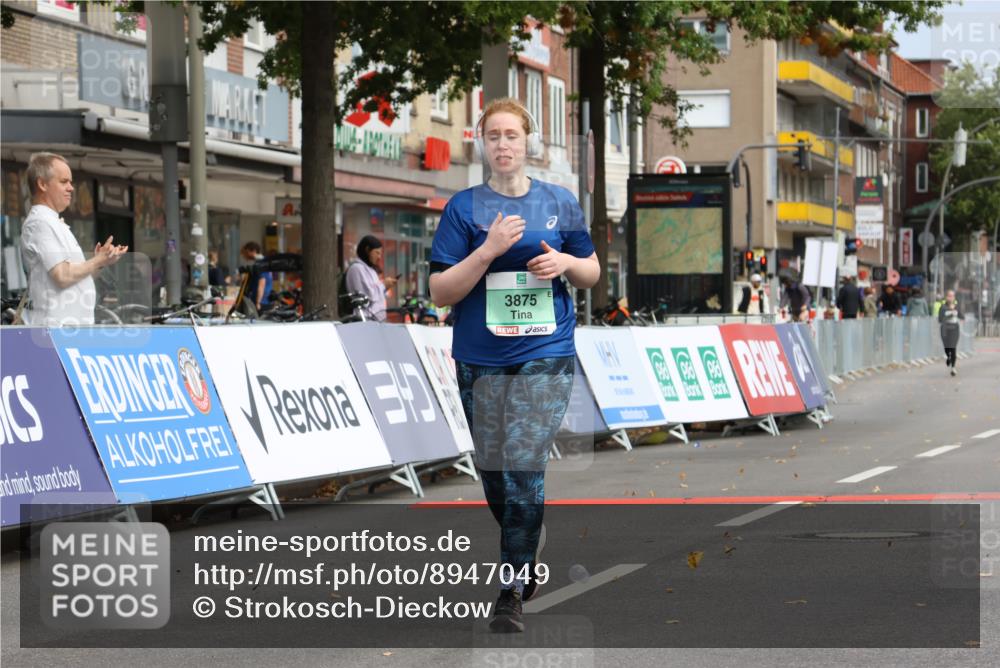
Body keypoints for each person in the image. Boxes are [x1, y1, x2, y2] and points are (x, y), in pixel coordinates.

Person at [429, 97, 599, 633]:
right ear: (482, 143)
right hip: (479, 356)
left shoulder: (559, 202)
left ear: (528, 144)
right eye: (494, 135)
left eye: (512, 135)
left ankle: (510, 591)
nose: (503, 144)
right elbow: (440, 292)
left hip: (544, 351)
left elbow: (591, 271)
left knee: (523, 465)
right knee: (497, 478)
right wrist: (487, 251)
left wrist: (565, 262)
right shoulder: (463, 208)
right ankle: (526, 535)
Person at [19, 152, 127, 325]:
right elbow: (62, 276)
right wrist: (97, 260)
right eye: (64, 182)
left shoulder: (52, 222)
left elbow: (75, 278)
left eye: (70, 182)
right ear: (42, 184)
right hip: (54, 330)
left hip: (70, 328)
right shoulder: (40, 223)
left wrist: (101, 262)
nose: (71, 188)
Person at [345, 235, 397, 321]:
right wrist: (384, 285)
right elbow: (368, 296)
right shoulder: (357, 269)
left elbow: (376, 293)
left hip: (376, 320)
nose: (379, 257)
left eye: (380, 253)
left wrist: (385, 287)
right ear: (367, 250)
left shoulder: (371, 270)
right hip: (365, 319)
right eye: (377, 253)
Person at [240, 241, 272, 312]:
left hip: (262, 302)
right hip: (265, 300)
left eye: (246, 252)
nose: (245, 255)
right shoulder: (265, 261)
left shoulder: (260, 264)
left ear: (253, 251)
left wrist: (258, 302)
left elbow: (262, 283)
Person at [938, 289, 964, 376]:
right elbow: (940, 319)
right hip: (945, 329)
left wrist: (962, 317)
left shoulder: (956, 307)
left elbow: (961, 316)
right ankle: (948, 356)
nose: (951, 298)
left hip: (954, 329)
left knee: (953, 348)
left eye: (952, 296)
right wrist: (950, 313)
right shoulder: (943, 307)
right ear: (946, 297)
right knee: (947, 347)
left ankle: (953, 367)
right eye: (949, 296)